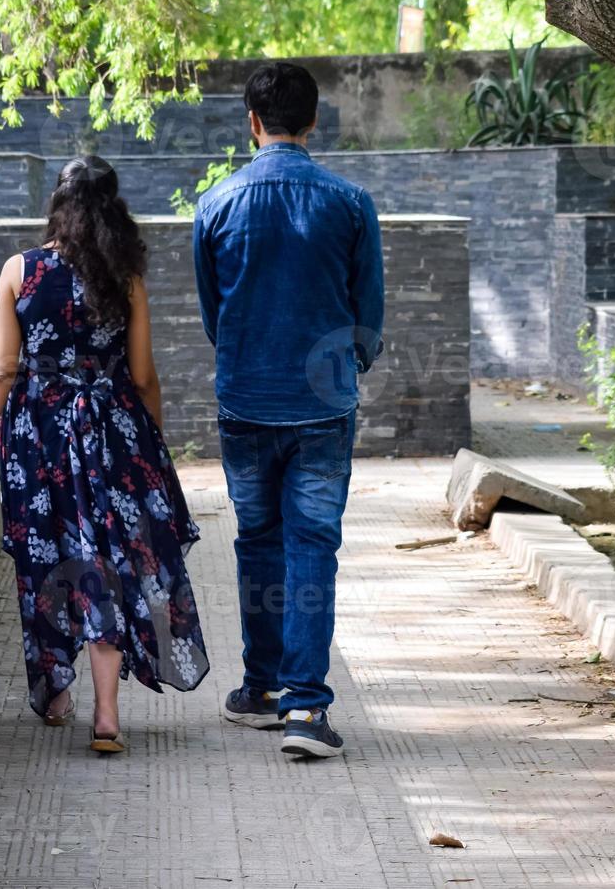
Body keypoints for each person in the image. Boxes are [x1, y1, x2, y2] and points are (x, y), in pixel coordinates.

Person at [0, 155, 209, 753]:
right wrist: (149, 443)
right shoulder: (125, 278)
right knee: (106, 560)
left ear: (57, 203)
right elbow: (145, 376)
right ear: (114, 210)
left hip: (38, 438)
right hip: (113, 431)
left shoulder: (19, 271)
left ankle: (54, 693)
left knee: (44, 555)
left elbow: (1, 369)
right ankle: (106, 715)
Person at [193, 61, 384, 758]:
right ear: (313, 122)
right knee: (312, 546)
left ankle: (262, 688)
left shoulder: (215, 205)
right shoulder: (351, 202)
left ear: (252, 123)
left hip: (245, 400)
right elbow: (370, 316)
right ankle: (306, 710)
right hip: (323, 406)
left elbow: (216, 318)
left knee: (257, 542)